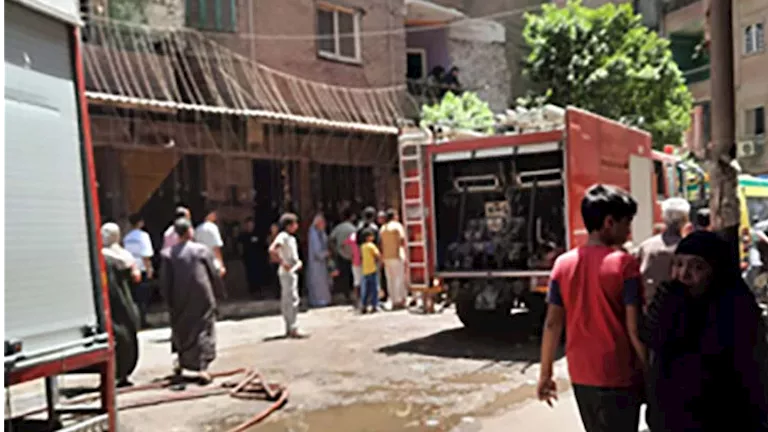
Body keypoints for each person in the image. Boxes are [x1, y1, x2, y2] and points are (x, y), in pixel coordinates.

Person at [538, 184, 646, 432]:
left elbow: (552, 324)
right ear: (609, 222)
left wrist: (546, 374)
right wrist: (650, 371)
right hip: (620, 374)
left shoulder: (562, 265)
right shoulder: (625, 265)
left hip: (581, 374)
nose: (629, 231)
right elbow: (634, 328)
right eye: (626, 223)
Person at [642, 231, 768, 431]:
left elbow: (749, 379)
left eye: (697, 267)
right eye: (678, 264)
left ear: (716, 271)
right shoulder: (669, 304)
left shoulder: (736, 312)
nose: (684, 275)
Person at [159, 218, 226, 383]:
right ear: (190, 231)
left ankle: (182, 362)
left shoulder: (168, 254)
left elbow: (165, 281)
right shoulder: (202, 250)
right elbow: (213, 273)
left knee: (181, 329)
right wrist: (219, 292)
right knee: (204, 328)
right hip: (202, 295)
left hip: (179, 297)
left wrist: (168, 299)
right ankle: (202, 367)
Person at [101, 222, 141, 386]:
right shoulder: (125, 256)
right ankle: (122, 372)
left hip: (111, 302)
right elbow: (136, 276)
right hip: (126, 301)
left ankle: (116, 373)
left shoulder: (102, 256)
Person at [635, 197, 690, 304]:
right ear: (685, 219)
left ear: (663, 218)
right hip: (679, 306)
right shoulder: (688, 248)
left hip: (648, 306)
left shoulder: (646, 246)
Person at [269, 213, 306, 338]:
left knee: (290, 299)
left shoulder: (291, 238)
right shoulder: (283, 236)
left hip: (292, 269)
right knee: (291, 299)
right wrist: (283, 262)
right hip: (287, 271)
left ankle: (290, 326)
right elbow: (273, 249)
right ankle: (292, 327)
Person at [123, 213, 155, 328]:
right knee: (144, 297)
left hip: (131, 268)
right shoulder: (143, 236)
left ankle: (136, 321)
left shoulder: (127, 237)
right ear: (140, 223)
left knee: (134, 297)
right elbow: (146, 255)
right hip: (142, 268)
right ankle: (143, 321)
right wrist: (149, 269)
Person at [380, 208, 407, 309]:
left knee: (390, 279)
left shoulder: (383, 228)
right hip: (397, 255)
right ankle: (400, 300)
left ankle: (393, 299)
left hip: (386, 257)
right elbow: (402, 239)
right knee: (399, 278)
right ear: (394, 216)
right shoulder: (397, 226)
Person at [329, 209, 357, 301]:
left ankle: (345, 294)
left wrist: (335, 250)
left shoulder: (338, 228)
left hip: (341, 254)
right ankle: (352, 294)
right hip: (352, 255)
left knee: (343, 276)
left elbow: (331, 239)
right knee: (352, 275)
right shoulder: (353, 229)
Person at [307, 214, 332, 308]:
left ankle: (324, 300)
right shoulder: (313, 233)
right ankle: (318, 301)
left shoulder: (321, 232)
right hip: (316, 262)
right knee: (317, 282)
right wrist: (325, 254)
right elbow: (316, 251)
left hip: (322, 262)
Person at [195, 207, 226, 277]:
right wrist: (221, 265)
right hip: (213, 263)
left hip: (201, 264)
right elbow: (216, 247)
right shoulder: (213, 228)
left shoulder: (197, 229)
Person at [237, 217, 263, 297]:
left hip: (258, 257)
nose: (250, 226)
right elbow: (239, 245)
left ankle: (259, 290)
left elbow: (262, 244)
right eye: (248, 225)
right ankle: (252, 290)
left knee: (258, 273)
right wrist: (241, 255)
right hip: (247, 257)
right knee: (250, 274)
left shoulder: (257, 234)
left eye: (251, 225)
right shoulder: (243, 235)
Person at [360, 229, 381, 314]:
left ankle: (364, 306)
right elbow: (377, 255)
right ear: (368, 237)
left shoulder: (362, 246)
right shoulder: (371, 246)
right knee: (374, 289)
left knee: (366, 290)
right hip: (372, 269)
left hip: (365, 270)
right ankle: (374, 306)